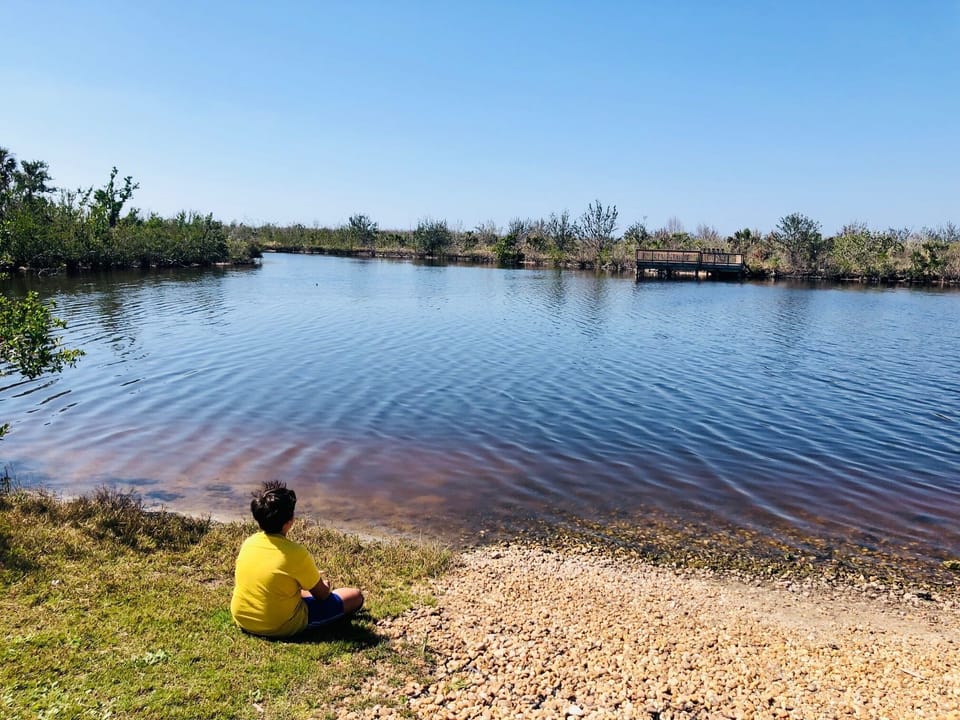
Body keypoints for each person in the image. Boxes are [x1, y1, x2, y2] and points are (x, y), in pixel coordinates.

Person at [230, 481, 364, 638]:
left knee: (294, 587)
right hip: (278, 625)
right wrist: (324, 584)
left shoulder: (249, 542)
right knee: (354, 596)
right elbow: (322, 595)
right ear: (289, 522)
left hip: (243, 618)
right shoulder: (296, 554)